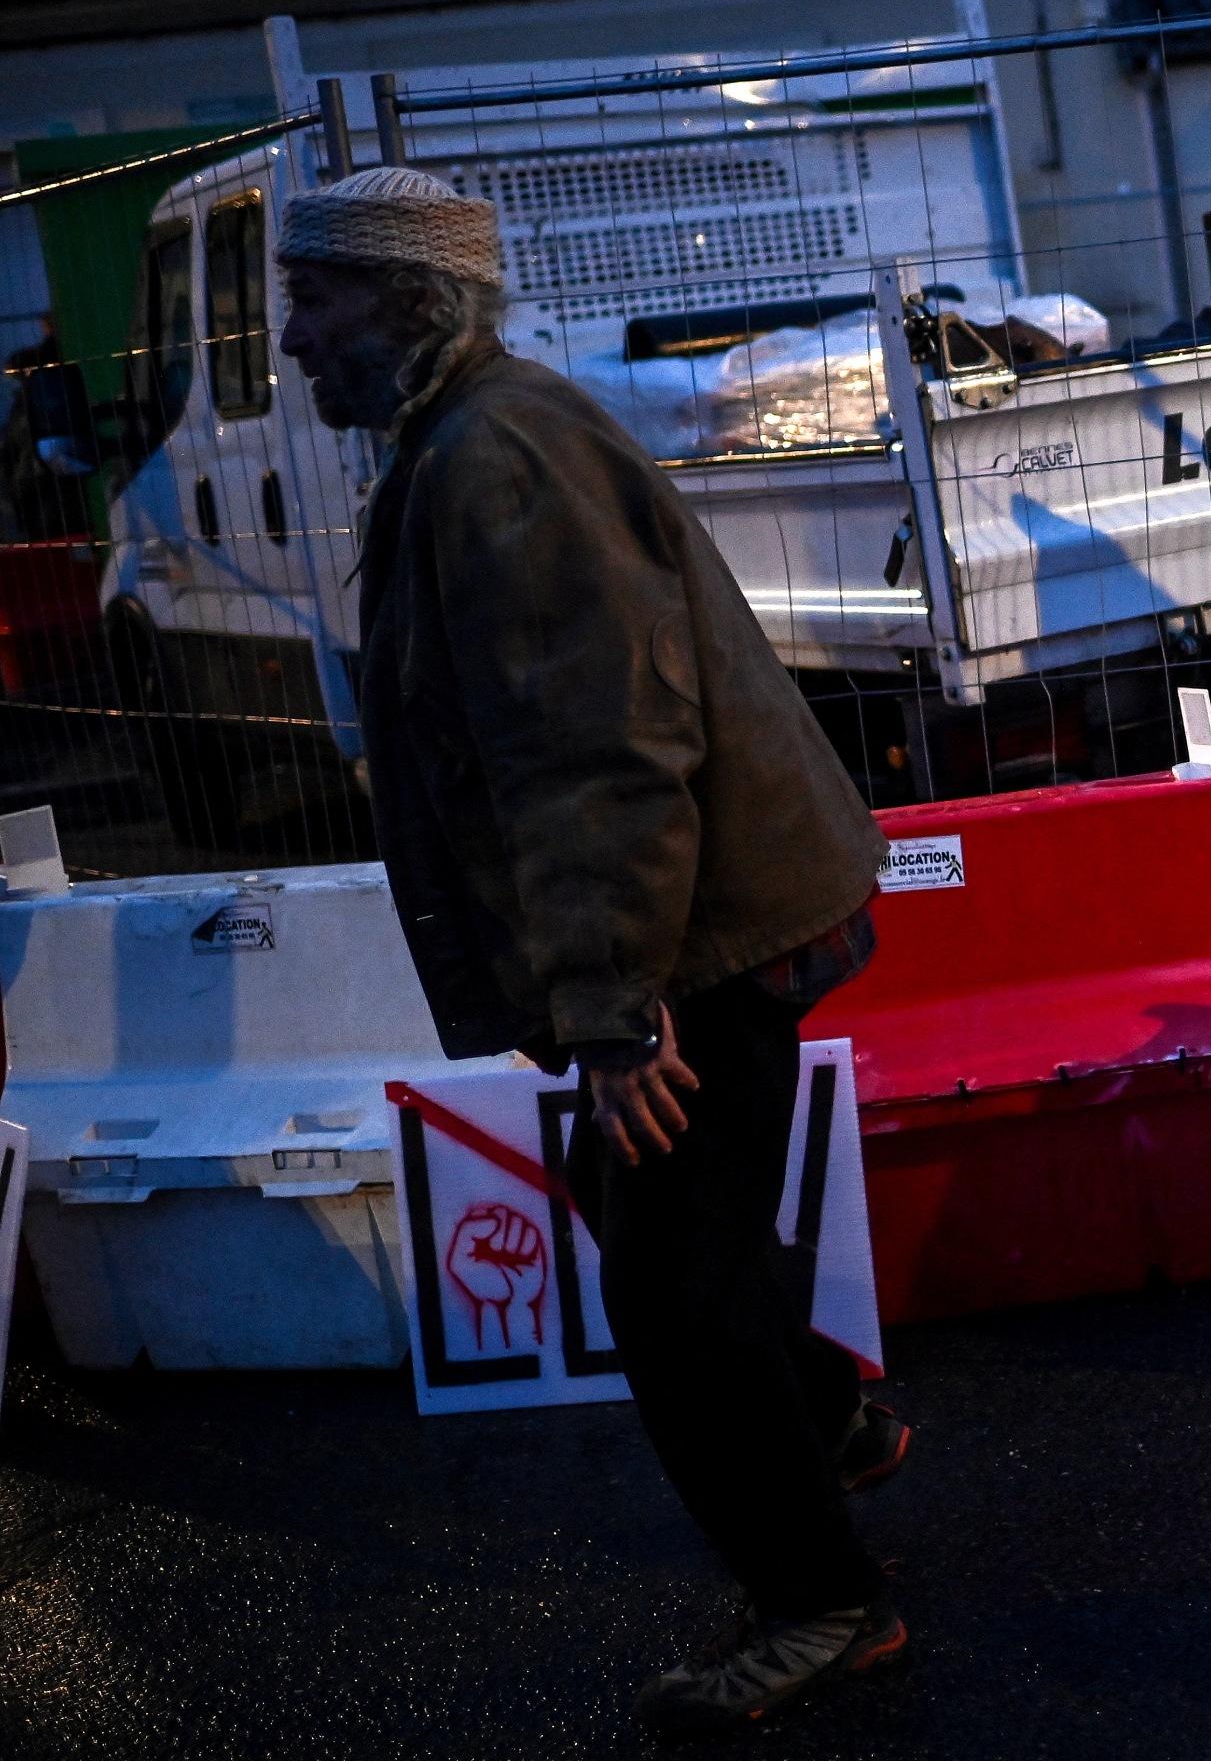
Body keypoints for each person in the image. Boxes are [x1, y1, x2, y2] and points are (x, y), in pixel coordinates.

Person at [276, 165, 914, 1736]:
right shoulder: (469, 431)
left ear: (411, 302)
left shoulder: (495, 456)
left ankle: (821, 1603)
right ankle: (827, 1420)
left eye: (319, 296)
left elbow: (604, 752)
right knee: (671, 1226)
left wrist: (618, 1007)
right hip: (709, 919)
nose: (292, 336)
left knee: (675, 1296)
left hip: (700, 942)